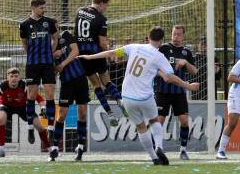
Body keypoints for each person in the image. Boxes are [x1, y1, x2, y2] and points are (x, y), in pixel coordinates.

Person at [79, 26, 199, 165]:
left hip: (127, 97)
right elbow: (168, 78)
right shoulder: (158, 56)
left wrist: (90, 57)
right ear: (161, 40)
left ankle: (154, 157)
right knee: (154, 121)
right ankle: (159, 147)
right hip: (145, 97)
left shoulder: (134, 47)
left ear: (148, 36)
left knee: (141, 127)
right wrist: (188, 86)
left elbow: (111, 52)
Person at [75, 0, 126, 125]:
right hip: (96, 54)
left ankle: (109, 114)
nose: (106, 9)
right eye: (106, 5)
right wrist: (108, 53)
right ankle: (120, 101)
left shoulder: (80, 11)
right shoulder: (101, 19)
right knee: (107, 81)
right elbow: (102, 42)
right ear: (101, 3)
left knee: (96, 85)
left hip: (83, 56)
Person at [152, 25, 198, 160]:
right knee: (159, 121)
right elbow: (153, 66)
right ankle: (156, 150)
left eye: (179, 34)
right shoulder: (163, 48)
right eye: (174, 34)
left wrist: (186, 63)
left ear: (183, 36)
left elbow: (194, 71)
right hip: (162, 91)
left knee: (184, 121)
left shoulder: (186, 52)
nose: (176, 36)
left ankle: (183, 150)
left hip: (179, 92)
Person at [19, 0, 59, 152]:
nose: (44, 10)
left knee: (50, 95)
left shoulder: (49, 22)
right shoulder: (24, 24)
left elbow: (55, 38)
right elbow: (25, 43)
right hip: (32, 65)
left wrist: (51, 52)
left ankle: (50, 128)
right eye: (42, 7)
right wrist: (32, 55)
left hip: (47, 64)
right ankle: (30, 126)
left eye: (44, 7)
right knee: (31, 95)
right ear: (34, 7)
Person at [0, 68, 50, 158]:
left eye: (16, 76)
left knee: (40, 126)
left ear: (19, 78)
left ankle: (50, 148)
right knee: (0, 118)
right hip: (6, 105)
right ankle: (1, 149)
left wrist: (43, 109)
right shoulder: (2, 86)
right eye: (11, 76)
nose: (14, 78)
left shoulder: (25, 86)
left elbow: (39, 98)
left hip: (23, 106)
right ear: (7, 77)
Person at [54, 29, 90, 161]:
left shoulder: (66, 35)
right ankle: (55, 147)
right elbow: (52, 70)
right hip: (66, 83)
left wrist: (62, 64)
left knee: (82, 113)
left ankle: (80, 146)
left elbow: (75, 51)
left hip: (80, 79)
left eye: (56, 27)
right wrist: (53, 58)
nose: (55, 30)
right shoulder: (48, 46)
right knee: (62, 115)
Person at [191, 36, 220, 101]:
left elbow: (218, 77)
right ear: (198, 45)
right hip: (196, 92)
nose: (203, 46)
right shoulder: (193, 58)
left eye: (205, 45)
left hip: (210, 91)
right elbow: (191, 75)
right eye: (202, 44)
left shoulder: (214, 58)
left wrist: (217, 71)